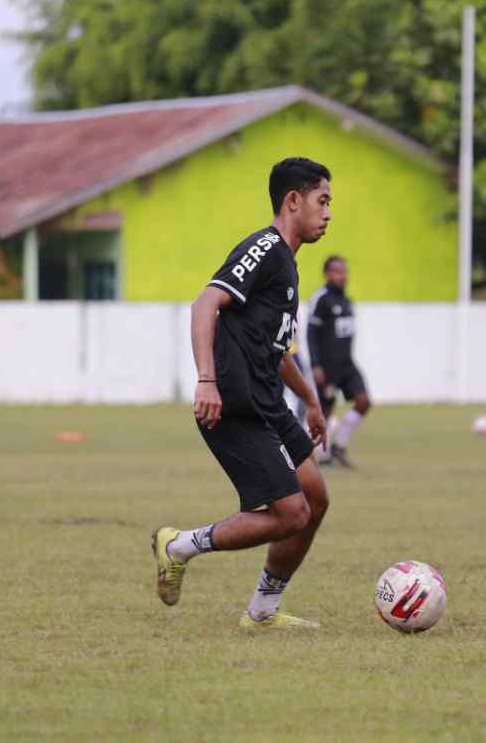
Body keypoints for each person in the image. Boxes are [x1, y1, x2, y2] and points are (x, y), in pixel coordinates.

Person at [151, 157, 334, 629]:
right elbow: (205, 302)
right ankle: (180, 545)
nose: (329, 212)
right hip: (234, 401)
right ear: (293, 201)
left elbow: (277, 352)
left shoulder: (288, 267)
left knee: (315, 496)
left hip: (269, 401)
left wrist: (310, 401)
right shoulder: (264, 247)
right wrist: (206, 379)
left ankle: (263, 611)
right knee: (292, 512)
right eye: (323, 200)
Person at [306, 255, 371, 468]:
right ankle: (309, 457)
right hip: (327, 367)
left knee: (363, 401)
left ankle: (338, 446)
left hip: (347, 365)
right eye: (337, 271)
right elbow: (311, 333)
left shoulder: (346, 301)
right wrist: (316, 364)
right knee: (323, 414)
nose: (342, 276)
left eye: (344, 271)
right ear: (327, 274)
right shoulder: (321, 298)